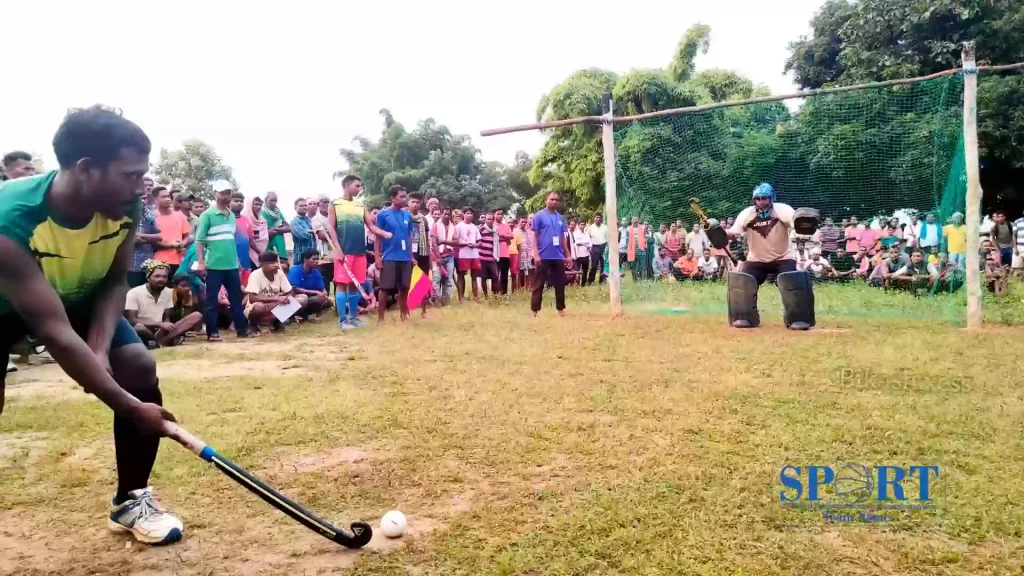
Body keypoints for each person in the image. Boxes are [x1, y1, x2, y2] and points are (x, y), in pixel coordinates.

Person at [0, 106, 184, 544]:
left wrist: (100, 348)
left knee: (137, 366)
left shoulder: (124, 203)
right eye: (131, 174)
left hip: (78, 296)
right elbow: (52, 330)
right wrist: (127, 406)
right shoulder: (11, 219)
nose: (142, 186)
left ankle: (131, 500)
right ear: (86, 170)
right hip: (5, 305)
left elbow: (116, 278)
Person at [721, 183, 818, 330]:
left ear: (771, 198)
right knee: (743, 283)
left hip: (783, 256)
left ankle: (798, 319)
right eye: (758, 199)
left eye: (764, 198)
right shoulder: (747, 214)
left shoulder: (782, 210)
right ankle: (744, 317)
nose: (761, 202)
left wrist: (804, 223)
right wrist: (717, 233)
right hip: (756, 259)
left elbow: (797, 224)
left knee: (792, 282)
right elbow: (733, 234)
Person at [327, 175, 391, 329]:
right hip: (344, 252)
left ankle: (354, 317)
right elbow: (331, 228)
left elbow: (371, 227)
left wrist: (385, 233)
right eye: (357, 185)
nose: (359, 189)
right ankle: (343, 320)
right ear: (347, 185)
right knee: (342, 285)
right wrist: (338, 250)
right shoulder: (335, 204)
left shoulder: (360, 206)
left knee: (355, 285)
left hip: (359, 252)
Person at [195, 180, 251, 342]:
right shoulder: (207, 215)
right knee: (212, 300)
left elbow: (230, 240)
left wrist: (237, 260)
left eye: (228, 193)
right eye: (222, 193)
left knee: (236, 298)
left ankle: (242, 330)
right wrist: (200, 262)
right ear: (215, 194)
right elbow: (199, 241)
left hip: (232, 265)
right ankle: (212, 333)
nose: (226, 196)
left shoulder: (232, 216)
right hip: (214, 265)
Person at [125, 260, 203, 347]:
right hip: (143, 328)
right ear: (148, 277)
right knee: (139, 327)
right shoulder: (134, 293)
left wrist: (167, 326)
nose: (161, 279)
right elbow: (131, 320)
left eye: (164, 277)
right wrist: (158, 323)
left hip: (160, 330)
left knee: (197, 315)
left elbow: (166, 317)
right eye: (157, 276)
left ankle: (160, 342)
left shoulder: (167, 292)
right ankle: (163, 341)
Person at [374, 185, 414, 324]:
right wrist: (378, 257)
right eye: (401, 196)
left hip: (405, 257)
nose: (404, 199)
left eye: (405, 196)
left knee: (404, 287)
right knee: (385, 288)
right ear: (392, 198)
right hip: (389, 256)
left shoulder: (407, 215)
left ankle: (404, 315)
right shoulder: (382, 214)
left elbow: (409, 236)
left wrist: (411, 256)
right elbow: (377, 237)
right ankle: (380, 318)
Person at [530, 192, 571, 317]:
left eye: (557, 200)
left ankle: (561, 309)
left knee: (560, 284)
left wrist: (568, 255)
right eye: (552, 199)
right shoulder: (539, 216)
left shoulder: (560, 218)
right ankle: (534, 310)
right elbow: (534, 236)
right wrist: (536, 255)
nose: (554, 202)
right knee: (539, 284)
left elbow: (563, 237)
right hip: (543, 256)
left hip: (558, 256)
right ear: (546, 200)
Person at [246, 251, 307, 332]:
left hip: (277, 305)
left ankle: (271, 321)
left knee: (302, 299)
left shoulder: (279, 273)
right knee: (258, 307)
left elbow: (290, 291)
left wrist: (286, 298)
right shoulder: (255, 275)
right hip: (262, 305)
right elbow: (252, 298)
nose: (275, 265)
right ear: (262, 264)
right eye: (271, 263)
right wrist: (276, 298)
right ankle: (253, 325)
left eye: (275, 262)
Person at [130, 184, 165, 288]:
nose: (143, 201)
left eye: (145, 198)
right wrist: (150, 238)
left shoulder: (149, 214)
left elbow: (159, 237)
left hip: (147, 263)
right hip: (130, 264)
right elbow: (133, 241)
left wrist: (140, 235)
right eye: (140, 198)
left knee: (145, 294)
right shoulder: (126, 214)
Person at [153, 187, 192, 278]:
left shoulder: (180, 216)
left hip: (178, 261)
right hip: (158, 260)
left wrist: (182, 244)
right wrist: (171, 245)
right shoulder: (152, 216)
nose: (167, 199)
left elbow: (187, 236)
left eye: (168, 196)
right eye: (163, 197)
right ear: (155, 199)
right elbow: (151, 241)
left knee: (176, 289)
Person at [287, 249, 331, 319]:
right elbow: (295, 289)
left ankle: (306, 315)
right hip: (297, 297)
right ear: (305, 259)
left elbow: (322, 288)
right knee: (303, 298)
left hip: (310, 298)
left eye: (317, 259)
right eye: (313, 259)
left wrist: (324, 293)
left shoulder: (316, 272)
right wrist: (316, 292)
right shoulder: (294, 269)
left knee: (327, 301)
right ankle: (293, 316)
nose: (316, 261)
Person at [408, 192, 431, 317]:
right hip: (408, 253)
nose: (415, 204)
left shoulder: (424, 219)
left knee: (423, 281)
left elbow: (427, 238)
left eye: (417, 202)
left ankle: (423, 310)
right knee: (407, 281)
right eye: (413, 202)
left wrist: (429, 255)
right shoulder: (405, 217)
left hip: (422, 252)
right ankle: (406, 309)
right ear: (408, 203)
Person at [431, 208, 457, 305]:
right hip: (437, 256)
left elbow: (456, 241)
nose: (446, 216)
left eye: (448, 214)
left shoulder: (452, 227)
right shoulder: (436, 226)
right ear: (441, 214)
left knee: (448, 279)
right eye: (444, 214)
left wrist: (443, 241)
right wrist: (438, 258)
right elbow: (433, 242)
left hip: (449, 256)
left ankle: (446, 300)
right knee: (436, 279)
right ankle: (436, 300)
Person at [229, 191, 256, 287]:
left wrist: (260, 253)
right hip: (231, 262)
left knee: (247, 289)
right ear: (229, 202)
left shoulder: (245, 219)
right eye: (236, 201)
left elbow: (250, 239)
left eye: (241, 201)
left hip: (245, 262)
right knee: (233, 289)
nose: (239, 203)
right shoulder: (226, 219)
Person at [454, 209, 482, 301]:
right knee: (461, 275)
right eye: (467, 213)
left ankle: (475, 297)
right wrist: (465, 244)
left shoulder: (474, 227)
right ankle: (460, 297)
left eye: (471, 213)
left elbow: (479, 242)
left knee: (474, 276)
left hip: (474, 254)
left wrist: (474, 245)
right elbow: (455, 240)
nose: (470, 215)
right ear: (463, 214)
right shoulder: (459, 226)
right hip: (463, 254)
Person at [261, 191, 291, 267]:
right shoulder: (262, 213)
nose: (274, 203)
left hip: (280, 247)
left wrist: (275, 229)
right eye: (271, 200)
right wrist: (280, 229)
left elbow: (288, 228)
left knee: (283, 268)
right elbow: (266, 232)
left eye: (275, 200)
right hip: (268, 247)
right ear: (265, 200)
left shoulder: (278, 213)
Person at [311, 196, 335, 286]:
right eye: (324, 202)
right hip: (324, 256)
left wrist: (330, 232)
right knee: (325, 283)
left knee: (339, 282)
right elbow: (322, 236)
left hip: (337, 254)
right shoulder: (317, 218)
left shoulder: (333, 217)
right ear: (318, 204)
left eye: (328, 202)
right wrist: (336, 233)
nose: (326, 204)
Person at [478, 212, 500, 298]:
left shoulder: (495, 231)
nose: (489, 221)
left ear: (493, 220)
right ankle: (486, 296)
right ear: (485, 220)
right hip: (482, 257)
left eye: (491, 219)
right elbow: (478, 242)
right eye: (488, 219)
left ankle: (495, 296)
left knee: (495, 277)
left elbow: (496, 245)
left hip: (492, 258)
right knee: (484, 277)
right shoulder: (481, 230)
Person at [494, 209, 514, 294]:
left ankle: (504, 293)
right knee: (495, 275)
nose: (500, 216)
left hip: (505, 254)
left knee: (504, 275)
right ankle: (495, 293)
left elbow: (511, 236)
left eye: (501, 214)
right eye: (498, 214)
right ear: (494, 214)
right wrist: (504, 238)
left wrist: (502, 236)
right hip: (494, 253)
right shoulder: (492, 225)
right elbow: (493, 237)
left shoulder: (506, 226)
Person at [585, 214, 608, 286]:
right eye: (597, 217)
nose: (598, 219)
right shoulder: (590, 228)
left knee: (603, 265)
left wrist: (606, 247)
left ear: (601, 219)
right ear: (594, 218)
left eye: (600, 217)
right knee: (594, 265)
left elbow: (608, 238)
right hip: (594, 247)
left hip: (603, 246)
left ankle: (602, 280)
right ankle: (590, 280)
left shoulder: (605, 227)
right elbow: (587, 238)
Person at [514, 216, 533, 292]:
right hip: (519, 255)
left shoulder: (527, 232)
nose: (524, 223)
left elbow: (530, 244)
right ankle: (519, 290)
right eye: (522, 222)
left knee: (528, 273)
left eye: (525, 222)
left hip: (527, 255)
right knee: (519, 273)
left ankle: (527, 290)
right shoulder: (515, 231)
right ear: (519, 222)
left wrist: (531, 254)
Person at [571, 218, 592, 283]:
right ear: (578, 225)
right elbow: (577, 242)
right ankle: (577, 283)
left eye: (584, 225)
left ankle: (583, 283)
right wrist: (586, 243)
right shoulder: (575, 233)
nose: (582, 226)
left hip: (586, 254)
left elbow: (590, 244)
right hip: (579, 255)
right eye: (581, 224)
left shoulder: (586, 233)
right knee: (578, 271)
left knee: (585, 270)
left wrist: (583, 243)